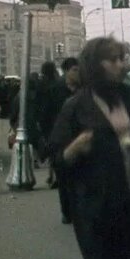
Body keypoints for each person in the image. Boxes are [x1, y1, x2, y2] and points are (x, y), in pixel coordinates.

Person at [49, 36, 130, 259]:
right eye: (112, 60)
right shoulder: (76, 107)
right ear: (95, 65)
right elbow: (58, 158)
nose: (121, 64)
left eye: (121, 58)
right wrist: (75, 148)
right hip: (100, 208)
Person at [53, 57, 81, 224]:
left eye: (79, 70)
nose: (77, 73)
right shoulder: (55, 90)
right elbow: (47, 115)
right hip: (61, 141)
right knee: (63, 179)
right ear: (66, 72)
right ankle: (67, 212)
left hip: (79, 139)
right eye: (74, 70)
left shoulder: (83, 89)